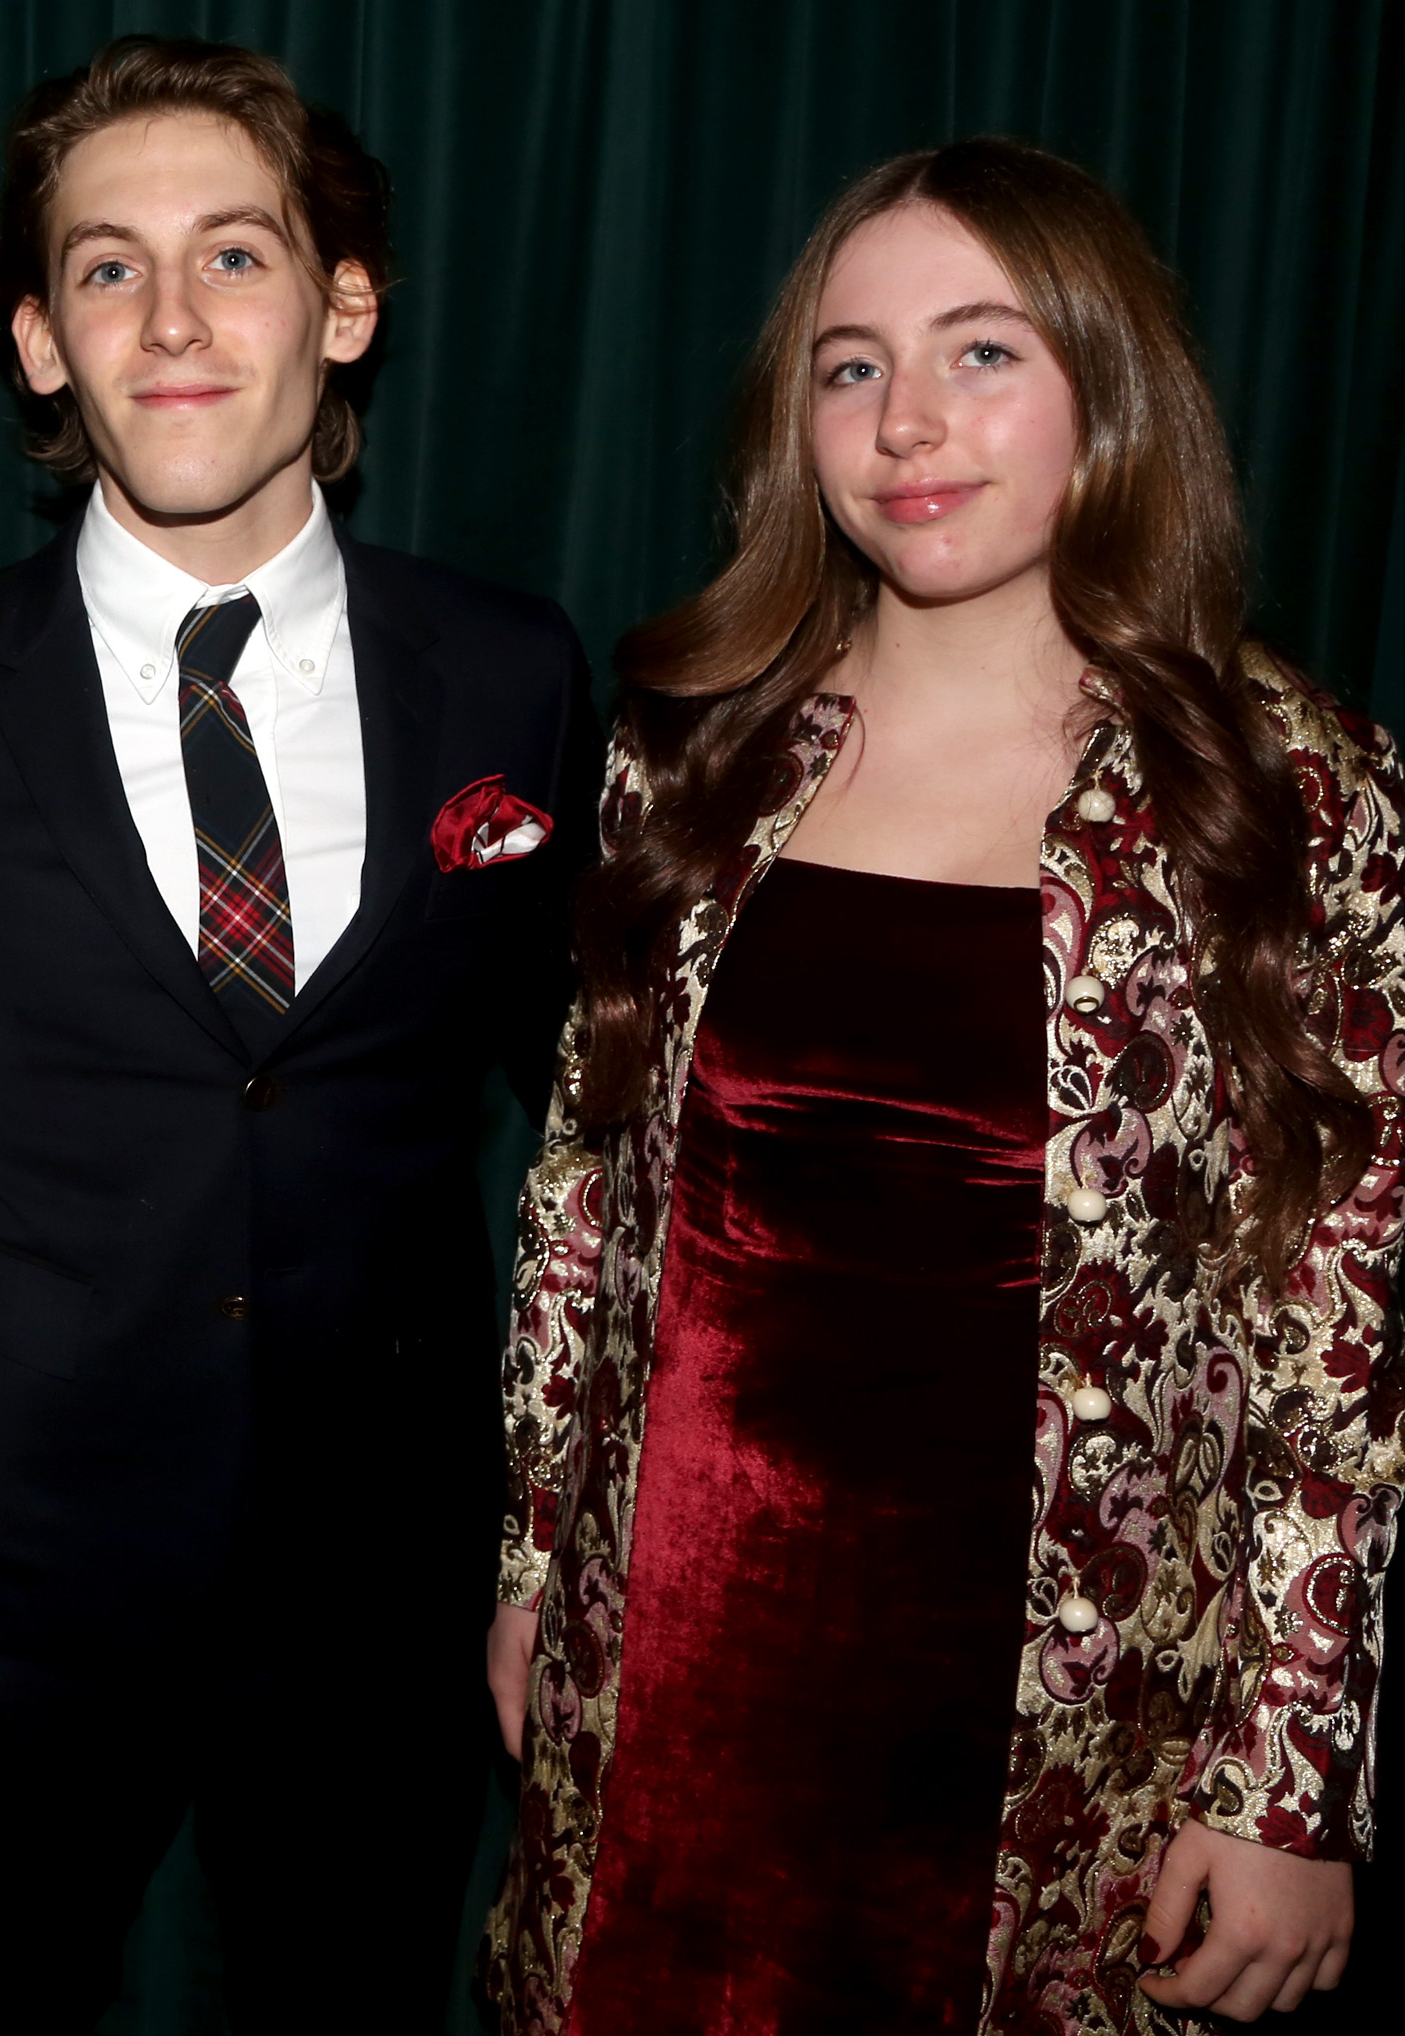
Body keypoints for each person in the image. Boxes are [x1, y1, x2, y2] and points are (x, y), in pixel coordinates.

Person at [487, 137, 1398, 2032]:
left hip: (1074, 1736)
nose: (908, 420)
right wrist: (535, 1566)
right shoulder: (701, 749)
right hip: (671, 1682)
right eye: (854, 366)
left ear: (1110, 384)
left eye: (983, 351)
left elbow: (1342, 1320)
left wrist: (1291, 1783)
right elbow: (581, 1193)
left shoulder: (1286, 796)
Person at [0, 36, 596, 2033]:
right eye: (108, 267)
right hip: (5, 1601)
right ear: (39, 342)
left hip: (384, 1602)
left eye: (234, 256)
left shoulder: (510, 675)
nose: (172, 320)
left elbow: (592, 1135)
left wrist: (560, 1546)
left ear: (344, 306)